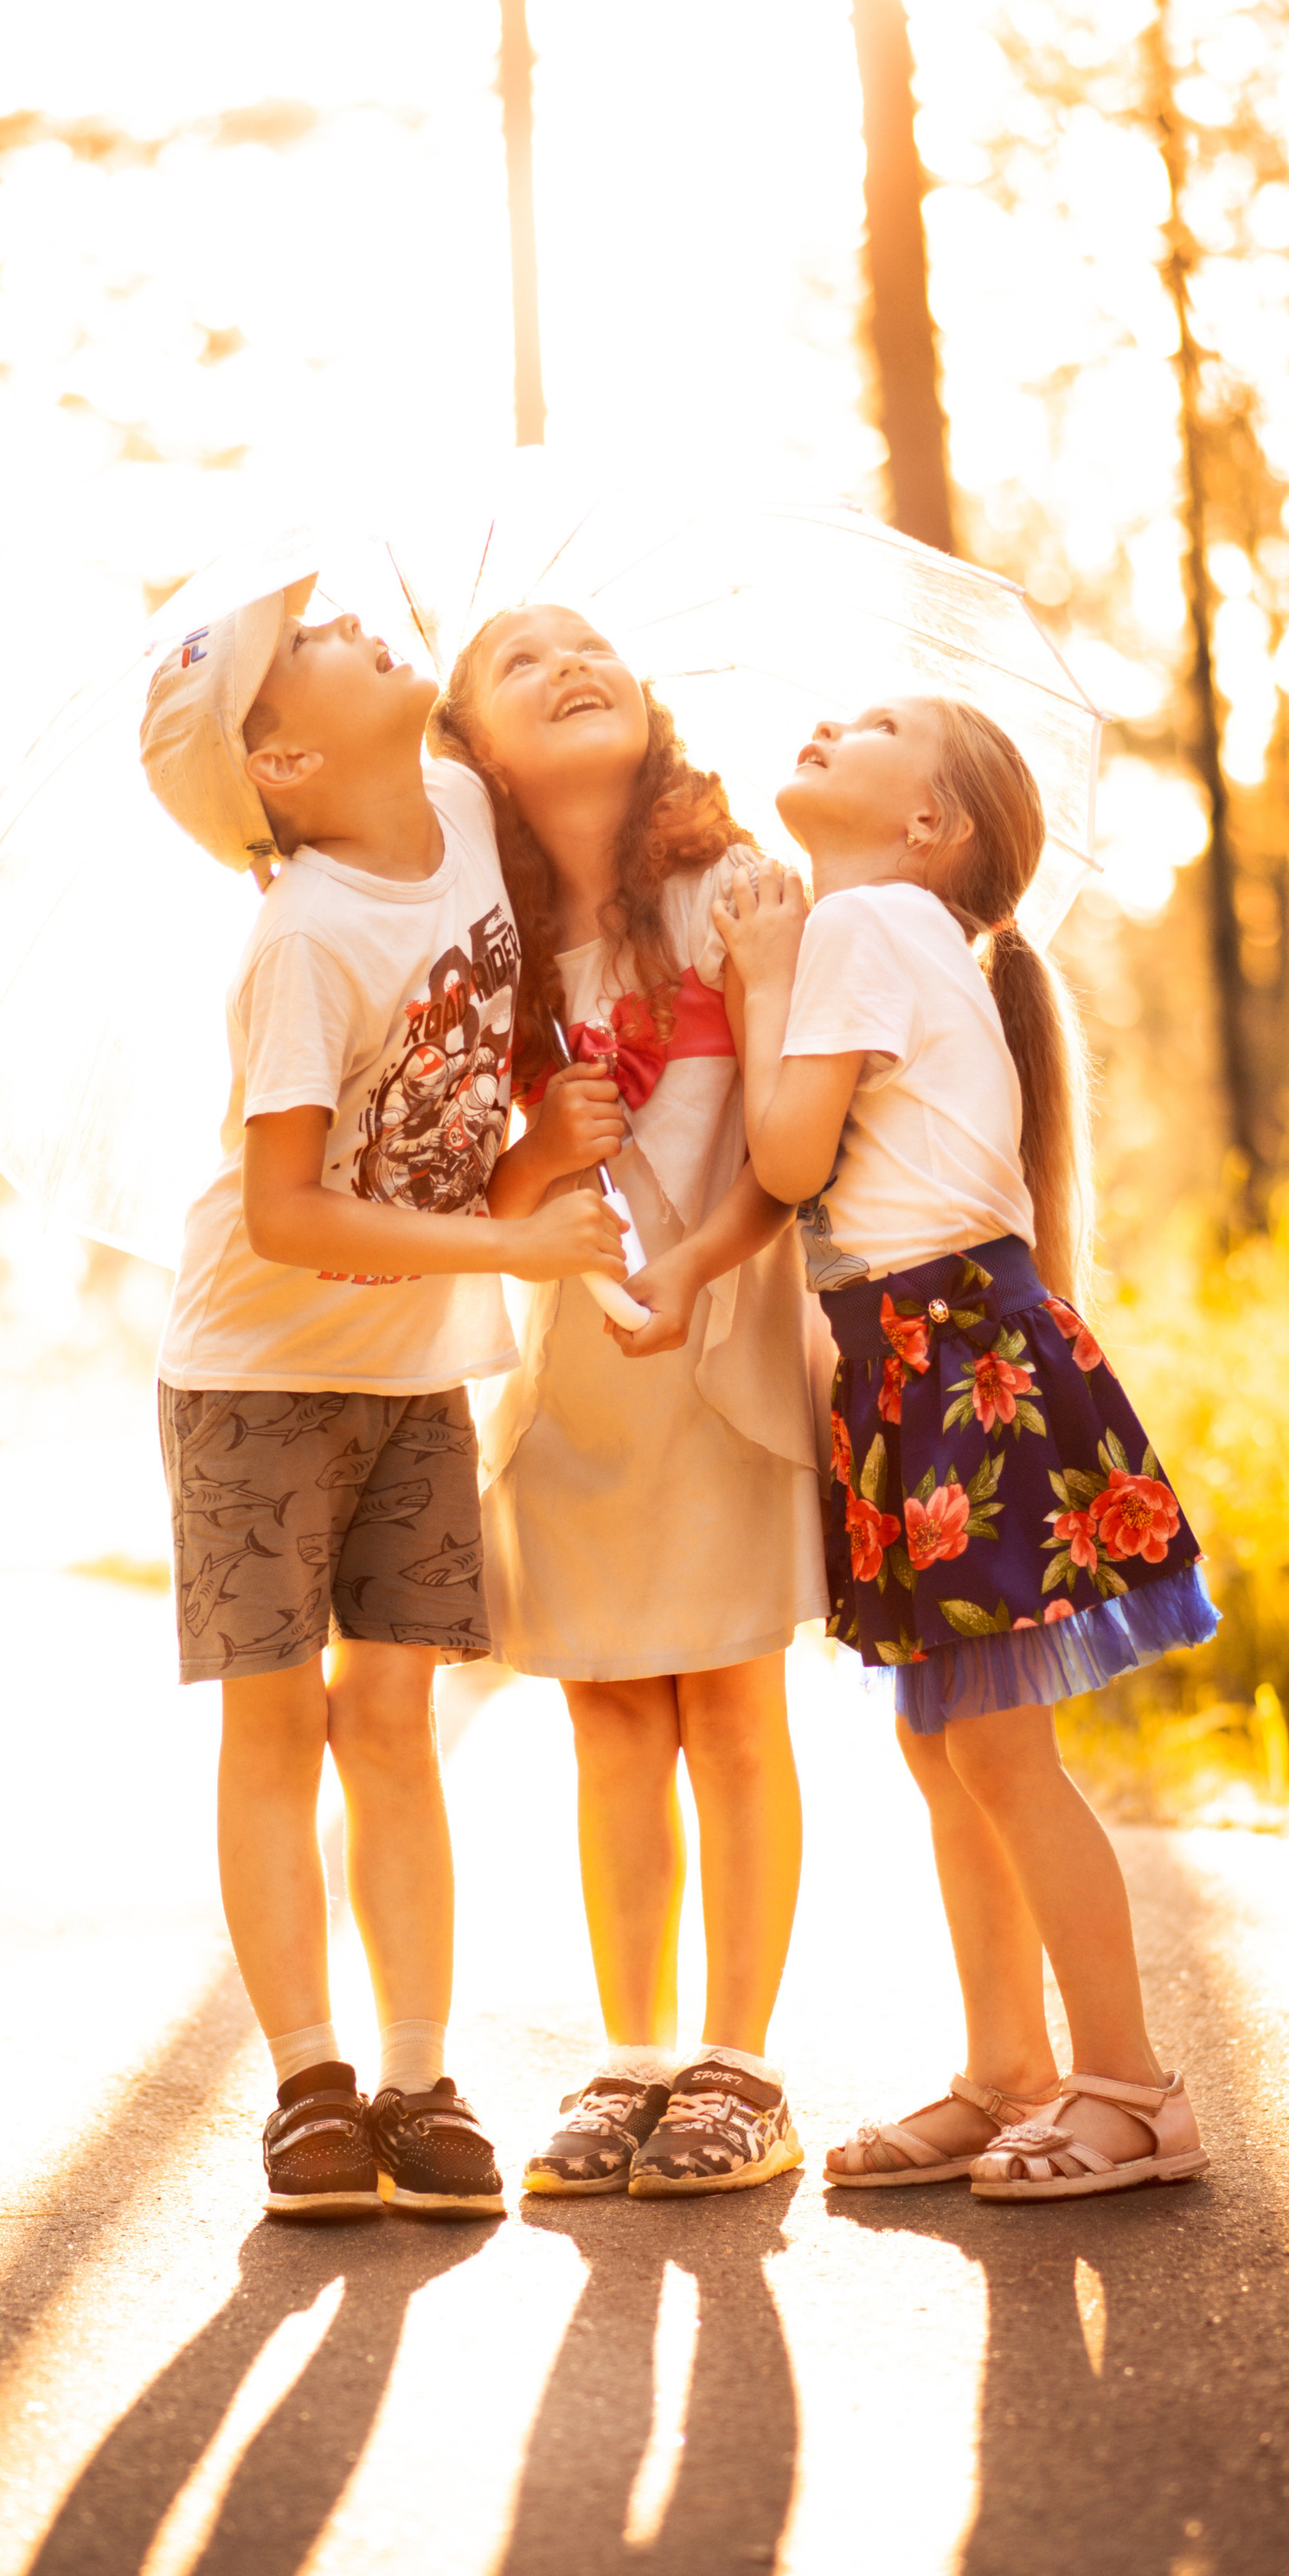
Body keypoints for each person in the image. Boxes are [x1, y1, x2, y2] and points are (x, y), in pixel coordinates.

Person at [141, 580, 627, 2224]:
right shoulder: (301, 937)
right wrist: (507, 1226)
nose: (353, 620)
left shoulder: (475, 809)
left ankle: (421, 2078)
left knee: (397, 1724)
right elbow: (289, 1210)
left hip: (416, 1367)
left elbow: (432, 1139)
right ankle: (308, 2085)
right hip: (259, 1373)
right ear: (279, 756)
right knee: (280, 1725)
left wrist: (538, 1151)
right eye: (316, 642)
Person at [717, 693, 1218, 2202]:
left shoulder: (866, 926)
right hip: (919, 1360)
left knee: (995, 1747)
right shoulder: (894, 930)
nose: (826, 722)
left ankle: (1128, 2088)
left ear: (929, 826)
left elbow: (789, 1158)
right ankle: (1010, 2070)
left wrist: (756, 979)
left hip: (952, 1362)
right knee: (946, 1744)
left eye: (865, 724)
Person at [433, 607, 826, 2201]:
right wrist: (544, 1147)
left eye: (586, 644)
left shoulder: (730, 896)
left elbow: (795, 1148)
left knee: (731, 1703)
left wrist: (772, 963)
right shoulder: (485, 960)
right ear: (473, 752)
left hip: (718, 1347)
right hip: (573, 1371)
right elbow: (472, 1192)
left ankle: (739, 2060)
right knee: (608, 1713)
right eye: (519, 665)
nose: (567, 663)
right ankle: (635, 2051)